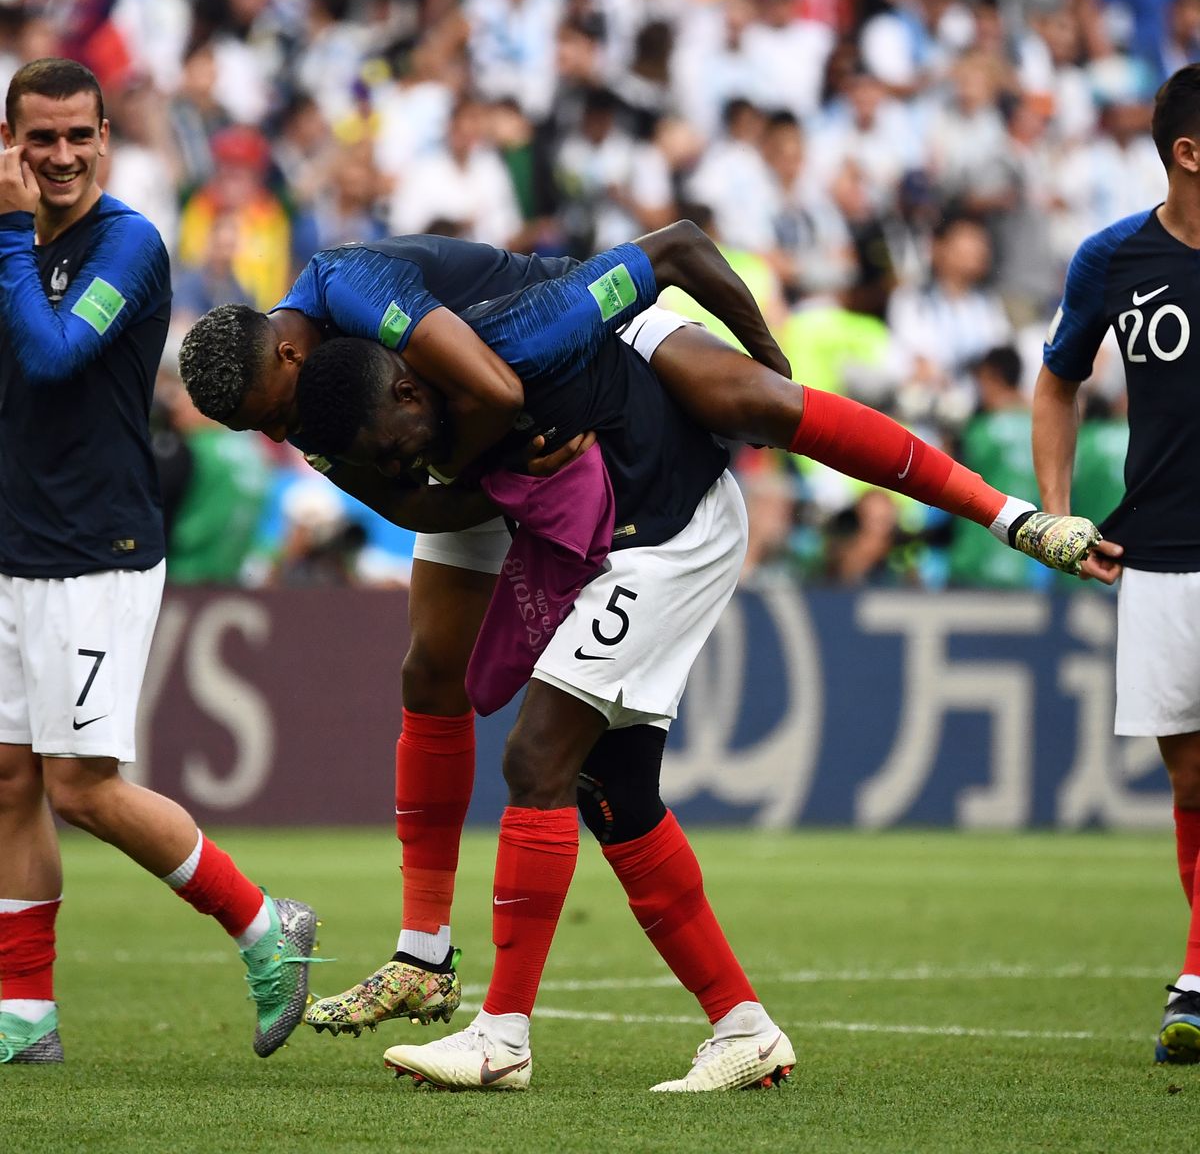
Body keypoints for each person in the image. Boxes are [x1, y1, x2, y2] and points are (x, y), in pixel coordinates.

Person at [177, 226, 1110, 1060]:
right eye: (260, 428)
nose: (278, 433)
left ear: (294, 349)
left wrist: (774, 362)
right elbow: (410, 494)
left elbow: (657, 263)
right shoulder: (328, 413)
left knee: (745, 401)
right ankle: (460, 962)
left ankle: (1005, 513)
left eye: (273, 410)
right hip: (493, 464)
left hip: (594, 389)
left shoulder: (375, 296)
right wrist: (489, 477)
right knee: (498, 715)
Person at [295, 319, 794, 1092]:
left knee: (537, 759)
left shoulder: (501, 331)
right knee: (615, 792)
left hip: (666, 536)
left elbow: (676, 248)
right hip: (639, 536)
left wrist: (997, 514)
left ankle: (501, 1038)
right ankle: (743, 1026)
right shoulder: (444, 363)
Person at [0, 59, 318, 1067]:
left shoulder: (129, 243)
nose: (58, 156)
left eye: (76, 136)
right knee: (8, 778)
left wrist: (10, 235)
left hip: (100, 550)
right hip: (13, 545)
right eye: (37, 138)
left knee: (83, 788)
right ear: (8, 142)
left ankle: (266, 927)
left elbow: (53, 355)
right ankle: (24, 1011)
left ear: (104, 136)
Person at [1032, 61, 1200, 1065]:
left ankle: (1195, 976)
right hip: (1162, 548)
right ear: (1190, 153)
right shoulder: (1113, 260)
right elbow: (1059, 384)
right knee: (1189, 777)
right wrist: (1055, 515)